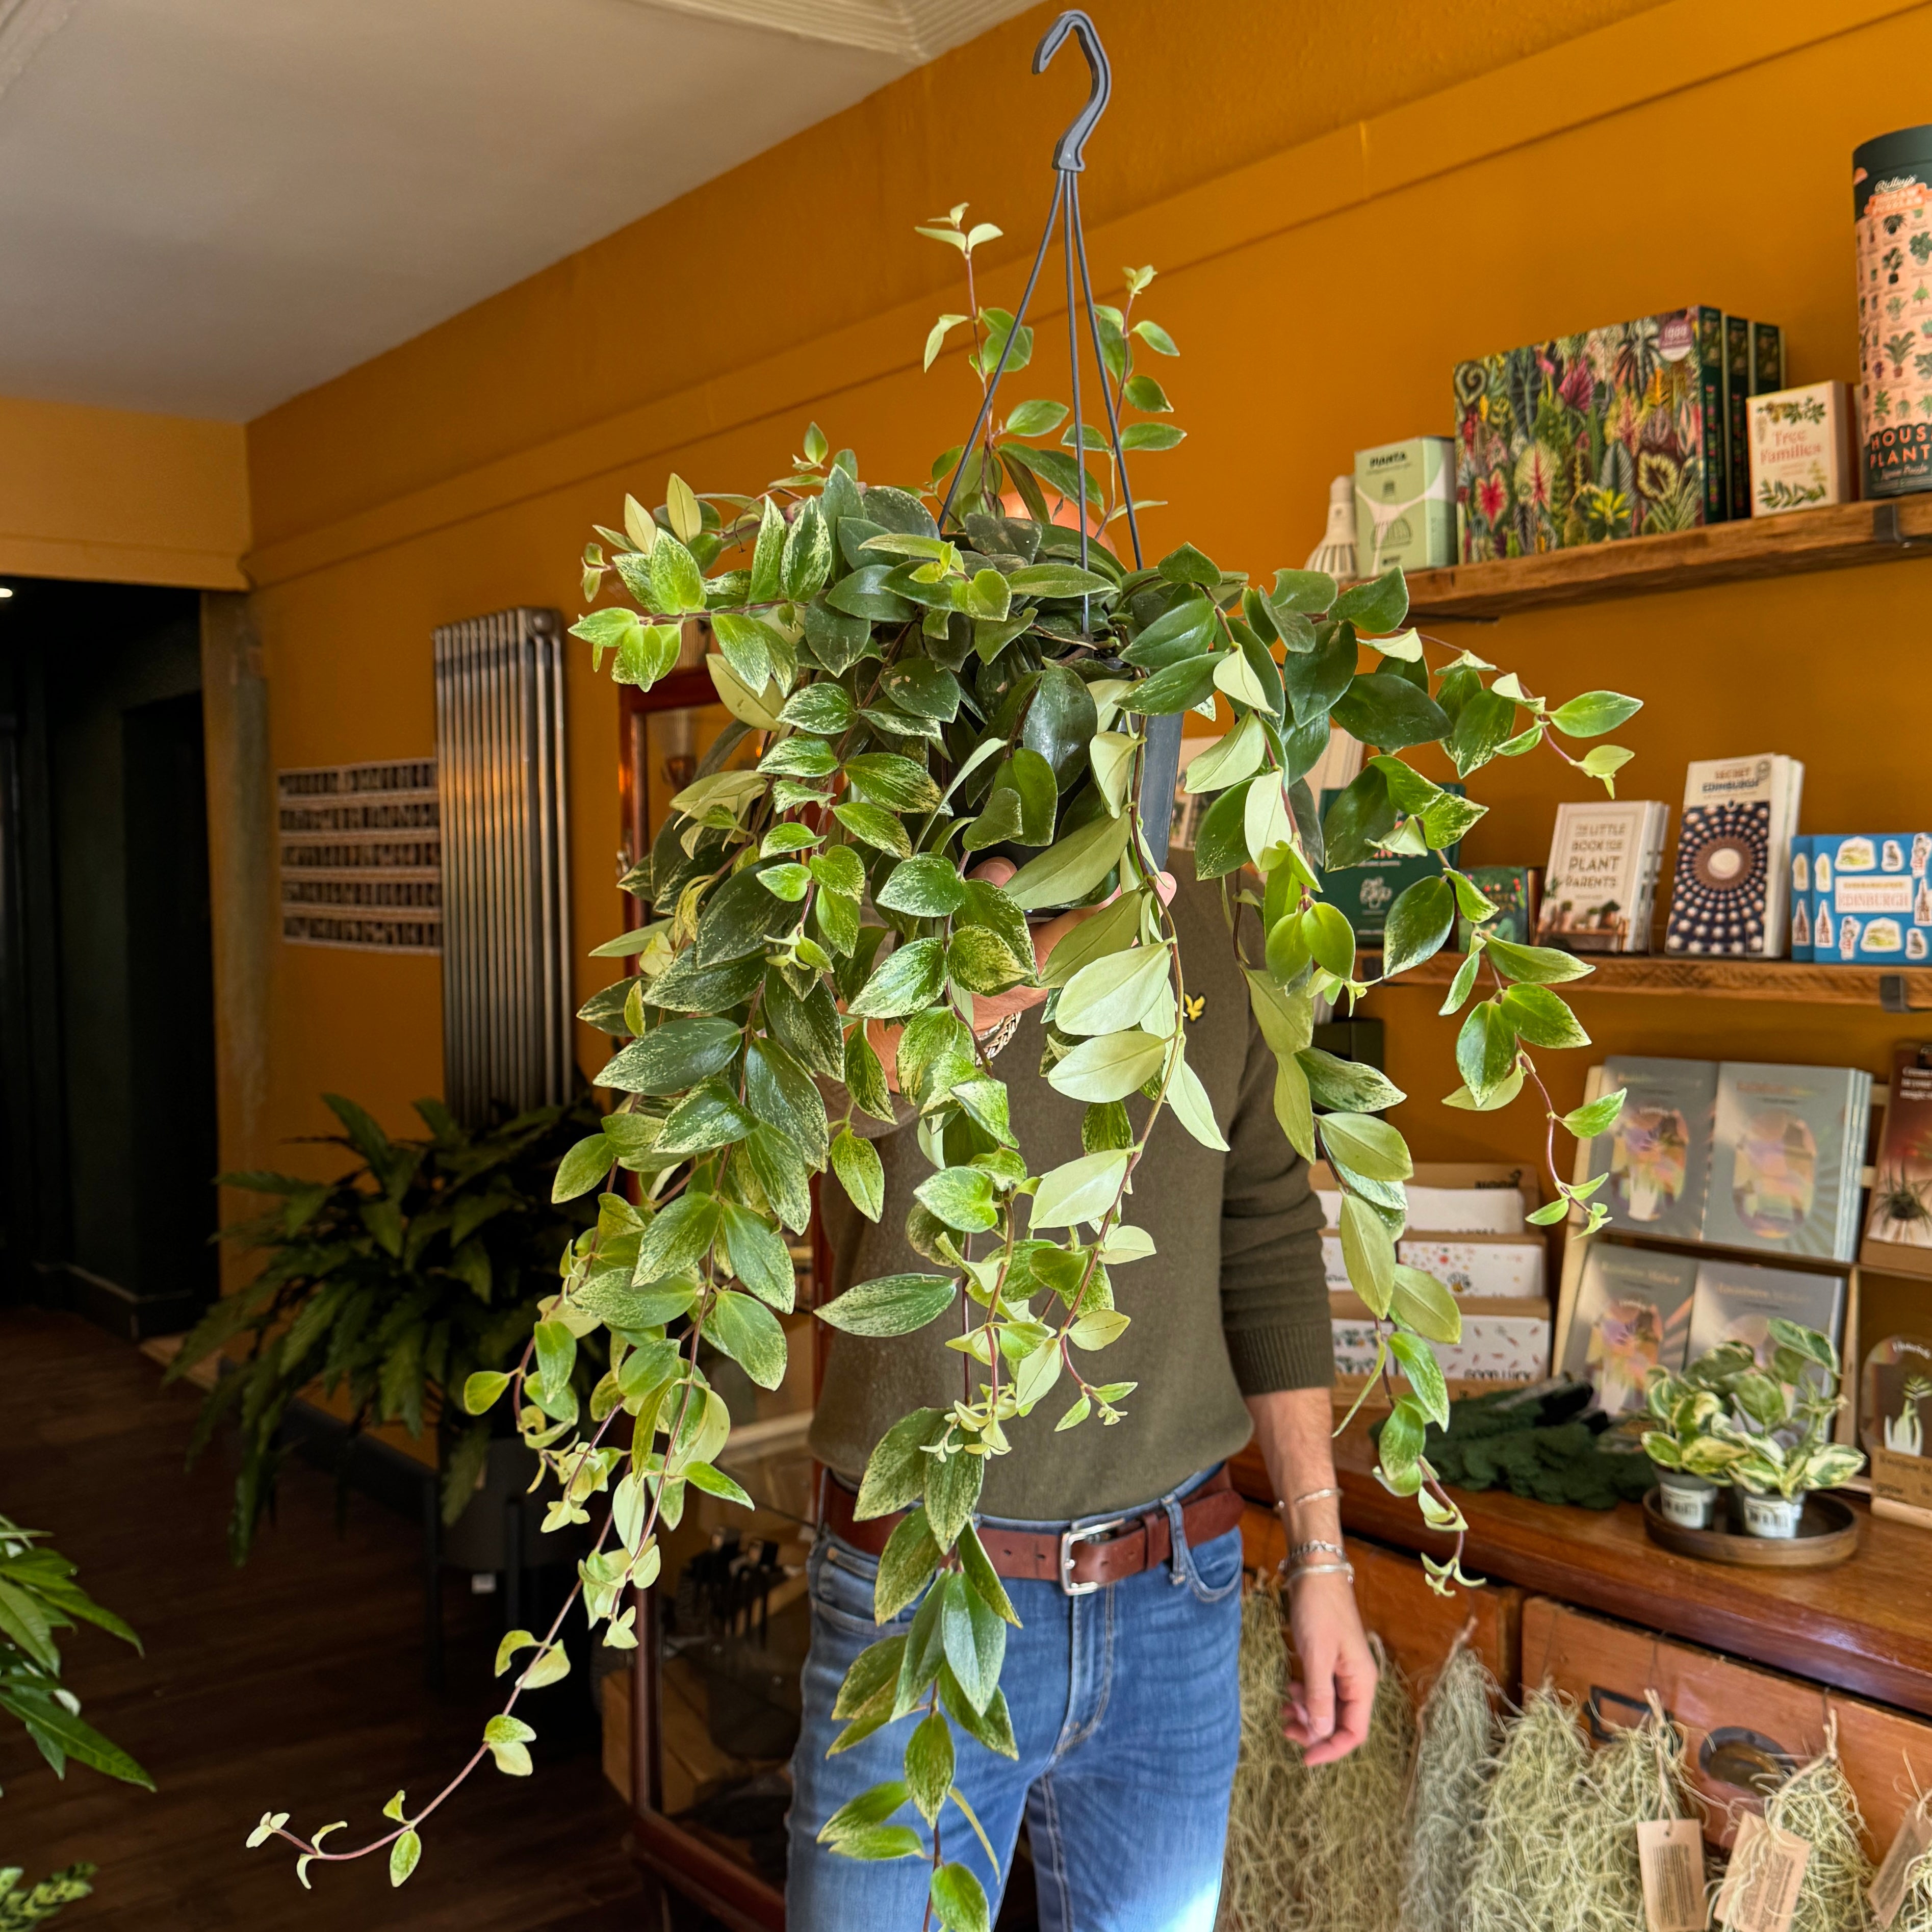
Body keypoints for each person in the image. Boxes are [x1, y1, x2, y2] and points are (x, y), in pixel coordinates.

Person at [785, 860, 1376, 1932]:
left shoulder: (1224, 897)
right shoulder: (868, 856)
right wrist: (952, 998)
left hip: (1174, 1594)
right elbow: (763, 1125)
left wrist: (1320, 1554)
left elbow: (1269, 1230)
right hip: (921, 1583)